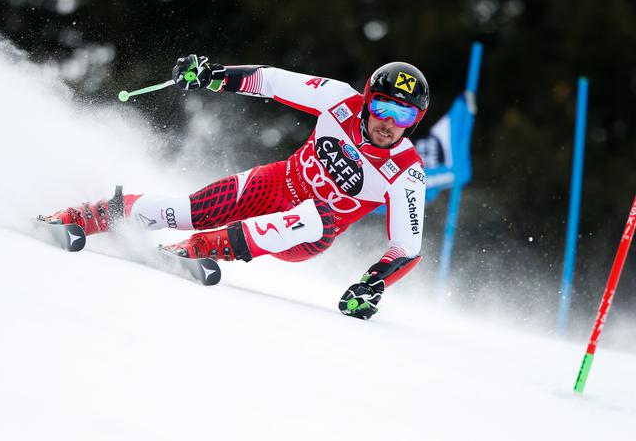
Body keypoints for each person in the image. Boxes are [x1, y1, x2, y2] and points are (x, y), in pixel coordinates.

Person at [45, 54, 429, 320]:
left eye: (403, 115)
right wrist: (213, 75)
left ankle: (197, 248)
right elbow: (272, 81)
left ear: (414, 121)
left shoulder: (407, 171)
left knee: (319, 215)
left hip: (306, 235)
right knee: (188, 211)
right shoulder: (338, 99)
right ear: (366, 102)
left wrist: (371, 285)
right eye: (382, 107)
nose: (388, 123)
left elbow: (407, 246)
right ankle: (87, 215)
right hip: (276, 184)